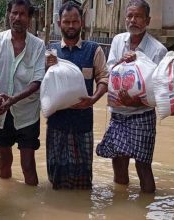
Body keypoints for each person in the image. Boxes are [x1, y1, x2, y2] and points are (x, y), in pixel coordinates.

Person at [96, 0, 167, 193]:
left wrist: (136, 100)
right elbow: (108, 71)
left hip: (142, 114)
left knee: (143, 165)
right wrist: (121, 61)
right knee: (118, 161)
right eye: (129, 16)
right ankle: (120, 203)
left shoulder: (157, 50)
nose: (133, 20)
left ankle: (145, 205)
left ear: (147, 20)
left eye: (138, 16)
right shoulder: (119, 40)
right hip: (118, 113)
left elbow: (160, 90)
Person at [45, 1, 108, 190]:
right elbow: (43, 85)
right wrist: (47, 66)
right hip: (57, 123)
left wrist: (94, 99)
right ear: (59, 23)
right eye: (66, 22)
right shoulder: (51, 51)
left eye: (75, 21)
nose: (71, 26)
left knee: (83, 176)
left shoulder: (93, 50)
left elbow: (104, 79)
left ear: (82, 23)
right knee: (56, 174)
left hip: (83, 123)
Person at [0, 0, 45, 186]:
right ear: (8, 15)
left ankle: (32, 207)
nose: (17, 17)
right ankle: (6, 199)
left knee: (28, 165)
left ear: (29, 18)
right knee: (4, 161)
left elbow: (37, 81)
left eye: (22, 14)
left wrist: (12, 100)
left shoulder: (38, 46)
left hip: (27, 114)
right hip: (0, 112)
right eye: (14, 13)